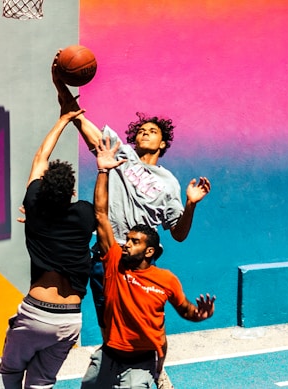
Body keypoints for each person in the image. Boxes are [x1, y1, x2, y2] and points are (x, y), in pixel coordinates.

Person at [52, 55, 211, 388]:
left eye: (152, 131)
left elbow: (178, 234)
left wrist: (190, 205)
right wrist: (60, 85)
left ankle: (149, 369)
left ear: (162, 143)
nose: (144, 132)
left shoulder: (168, 183)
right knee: (113, 330)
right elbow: (80, 120)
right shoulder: (118, 154)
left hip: (139, 263)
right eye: (141, 129)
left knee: (138, 325)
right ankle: (145, 370)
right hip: (108, 256)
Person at [79, 137, 216, 388]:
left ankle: (158, 370)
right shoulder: (113, 263)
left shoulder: (165, 280)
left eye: (134, 242)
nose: (126, 244)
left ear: (150, 250)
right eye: (127, 240)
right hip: (109, 356)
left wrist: (201, 315)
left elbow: (186, 311)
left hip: (140, 362)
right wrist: (102, 171)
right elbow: (100, 214)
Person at [0, 104, 111, 389]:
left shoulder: (33, 204)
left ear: (43, 188)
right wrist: (103, 170)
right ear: (71, 192)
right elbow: (102, 211)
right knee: (42, 381)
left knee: (8, 373)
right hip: (69, 320)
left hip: (36, 313)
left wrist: (62, 120)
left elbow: (40, 158)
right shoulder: (84, 214)